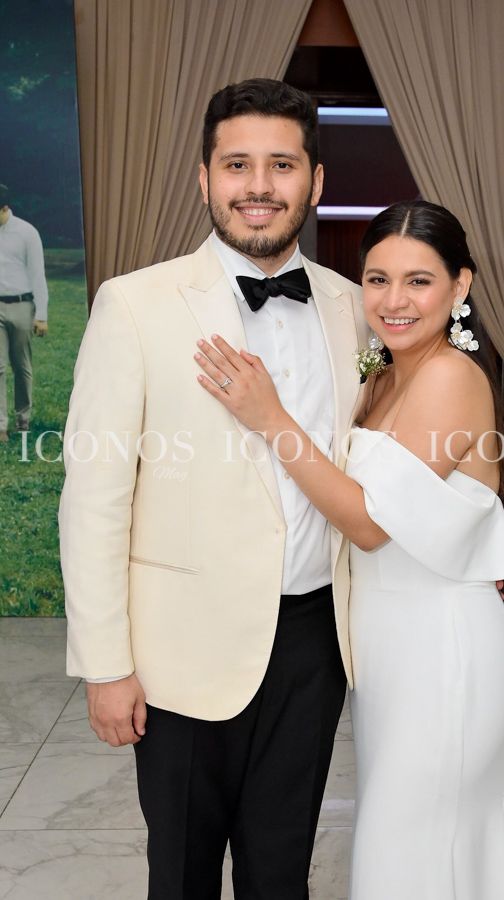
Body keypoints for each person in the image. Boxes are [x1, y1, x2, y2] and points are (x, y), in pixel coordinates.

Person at [59, 79, 370, 899]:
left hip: (314, 643)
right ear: (204, 178)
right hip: (178, 647)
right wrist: (105, 665)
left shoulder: (353, 307)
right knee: (182, 875)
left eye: (281, 165)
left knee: (281, 873)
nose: (258, 186)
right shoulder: (134, 304)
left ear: (315, 182)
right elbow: (93, 499)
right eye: (237, 165)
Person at [199, 200, 504, 899]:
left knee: (413, 849)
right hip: (389, 653)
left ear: (460, 285)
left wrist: (270, 418)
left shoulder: (449, 376)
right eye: (377, 279)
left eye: (419, 281)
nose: (394, 301)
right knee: (412, 844)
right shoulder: (383, 371)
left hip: (441, 654)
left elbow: (368, 523)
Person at [0, 183, 49, 441]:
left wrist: (41, 315)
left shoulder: (26, 232)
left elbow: (37, 274)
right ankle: (1, 426)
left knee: (21, 366)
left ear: (5, 208)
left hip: (21, 305)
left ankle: (23, 419)